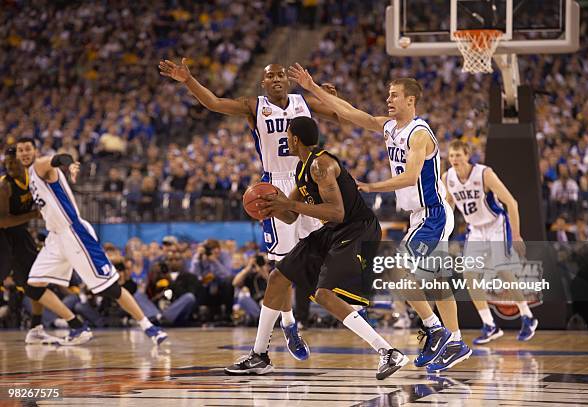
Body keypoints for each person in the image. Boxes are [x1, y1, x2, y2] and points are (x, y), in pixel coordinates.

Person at [288, 64, 471, 373]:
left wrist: (372, 186)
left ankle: (437, 331)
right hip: (419, 216)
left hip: (433, 215)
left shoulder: (419, 134)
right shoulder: (389, 127)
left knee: (398, 269)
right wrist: (312, 86)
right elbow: (348, 112)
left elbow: (412, 175)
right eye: (388, 94)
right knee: (435, 279)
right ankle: (451, 339)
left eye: (395, 95)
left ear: (411, 100)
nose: (389, 99)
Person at [159, 59, 340, 358]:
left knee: (318, 258)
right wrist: (189, 80)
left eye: (281, 74)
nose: (278, 79)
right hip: (275, 187)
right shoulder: (253, 106)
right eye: (271, 76)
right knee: (282, 267)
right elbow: (214, 103)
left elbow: (338, 114)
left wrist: (329, 95)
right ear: (263, 83)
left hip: (308, 181)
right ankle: (289, 322)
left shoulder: (303, 102)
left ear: (289, 80)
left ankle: (323, 314)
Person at [224, 116, 408, 380]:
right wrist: (272, 207)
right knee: (278, 277)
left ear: (295, 139)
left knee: (325, 294)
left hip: (356, 229)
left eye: (288, 134)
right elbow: (290, 216)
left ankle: (388, 351)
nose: (286, 138)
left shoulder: (321, 165)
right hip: (334, 230)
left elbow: (337, 212)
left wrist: (290, 205)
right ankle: (259, 356)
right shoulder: (302, 169)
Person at [14, 137, 168, 345]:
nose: (24, 153)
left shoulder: (40, 165)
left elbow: (60, 158)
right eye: (20, 150)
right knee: (33, 286)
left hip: (74, 233)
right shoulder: (29, 176)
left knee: (109, 288)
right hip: (55, 237)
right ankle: (76, 327)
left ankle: (149, 327)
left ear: (35, 150)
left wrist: (70, 164)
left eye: (28, 149)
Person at [444, 140, 539, 343]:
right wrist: (442, 233)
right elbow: (449, 207)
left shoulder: (484, 173)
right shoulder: (447, 178)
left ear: (467, 155)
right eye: (451, 156)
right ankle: (490, 324)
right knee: (469, 275)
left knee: (503, 270)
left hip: (496, 225)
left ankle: (527, 317)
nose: (454, 159)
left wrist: (516, 235)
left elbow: (512, 203)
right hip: (475, 230)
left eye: (458, 155)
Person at [0, 146, 86, 345]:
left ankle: (36, 327)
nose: (10, 166)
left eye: (13, 162)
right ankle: (72, 323)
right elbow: (2, 222)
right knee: (31, 284)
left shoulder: (33, 178)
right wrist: (32, 215)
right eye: (7, 163)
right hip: (3, 237)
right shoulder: (5, 186)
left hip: (20, 236)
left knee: (36, 281)